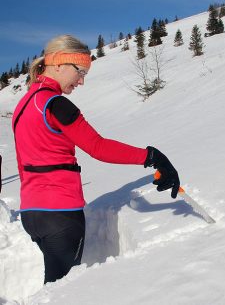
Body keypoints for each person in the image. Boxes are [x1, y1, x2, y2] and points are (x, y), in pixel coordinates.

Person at [12, 35, 180, 284]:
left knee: (55, 288)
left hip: (32, 213)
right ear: (58, 63)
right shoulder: (56, 104)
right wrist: (152, 157)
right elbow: (98, 147)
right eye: (79, 72)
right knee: (62, 292)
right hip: (61, 214)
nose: (81, 81)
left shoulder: (24, 104)